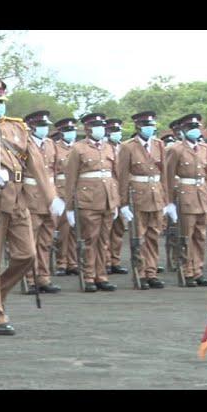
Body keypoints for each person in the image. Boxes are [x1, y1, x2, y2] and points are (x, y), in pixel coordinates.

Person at [0, 80, 64, 335]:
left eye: (2, 102)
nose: (0, 107)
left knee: (26, 255)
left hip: (19, 198)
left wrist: (51, 197)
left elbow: (38, 166)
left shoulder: (18, 128)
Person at [64, 113, 119, 292]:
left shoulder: (109, 147)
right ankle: (88, 276)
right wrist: (69, 207)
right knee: (90, 240)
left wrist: (116, 201)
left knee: (104, 241)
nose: (100, 129)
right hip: (88, 201)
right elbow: (70, 179)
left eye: (102, 126)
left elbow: (115, 176)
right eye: (96, 126)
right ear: (87, 129)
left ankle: (101, 276)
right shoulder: (78, 149)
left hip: (108, 200)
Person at [117, 111, 169, 289]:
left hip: (156, 195)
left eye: (152, 125)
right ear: (138, 126)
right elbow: (122, 175)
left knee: (153, 236)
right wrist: (122, 203)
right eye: (146, 125)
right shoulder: (128, 146)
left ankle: (151, 272)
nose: (150, 128)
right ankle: (140, 273)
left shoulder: (159, 144)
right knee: (138, 237)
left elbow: (164, 174)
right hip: (137, 196)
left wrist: (167, 199)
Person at [165, 113, 207, 287]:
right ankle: (187, 271)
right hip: (185, 195)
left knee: (200, 236)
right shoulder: (175, 149)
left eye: (196, 128)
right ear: (184, 130)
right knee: (186, 236)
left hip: (201, 195)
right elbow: (169, 176)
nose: (194, 131)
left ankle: (198, 271)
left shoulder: (204, 148)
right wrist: (169, 201)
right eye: (190, 128)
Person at [21, 110, 61, 294]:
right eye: (42, 125)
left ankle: (43, 277)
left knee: (45, 241)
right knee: (30, 241)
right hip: (31, 197)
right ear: (32, 126)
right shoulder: (22, 144)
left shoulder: (51, 144)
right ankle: (30, 278)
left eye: (46, 125)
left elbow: (55, 170)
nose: (45, 129)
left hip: (50, 198)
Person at [52, 118, 79, 276]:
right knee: (64, 230)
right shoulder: (55, 149)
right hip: (61, 192)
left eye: (72, 129)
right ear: (61, 132)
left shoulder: (79, 148)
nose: (71, 133)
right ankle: (62, 262)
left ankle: (73, 262)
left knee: (77, 229)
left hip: (79, 191)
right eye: (67, 130)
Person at [104, 119, 128, 275]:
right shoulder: (105, 148)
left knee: (118, 229)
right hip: (107, 192)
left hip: (122, 192)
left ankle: (115, 260)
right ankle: (105, 261)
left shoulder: (123, 148)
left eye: (118, 130)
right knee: (106, 229)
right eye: (113, 130)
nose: (117, 133)